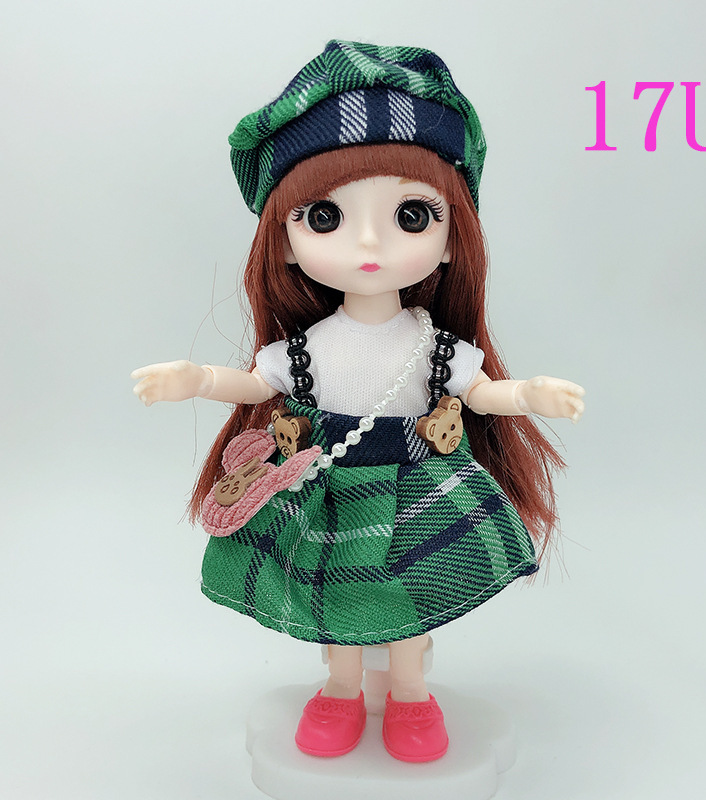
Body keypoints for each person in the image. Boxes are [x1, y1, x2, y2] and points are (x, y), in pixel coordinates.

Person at [132, 40, 585, 763]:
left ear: (451, 240)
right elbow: (257, 385)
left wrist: (527, 394)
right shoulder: (307, 349)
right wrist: (198, 379)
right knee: (333, 601)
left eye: (412, 216)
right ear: (284, 241)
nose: (369, 243)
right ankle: (341, 690)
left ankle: (411, 694)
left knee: (411, 601)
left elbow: (479, 392)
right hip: (329, 486)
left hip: (416, 483)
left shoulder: (432, 343)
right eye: (325, 217)